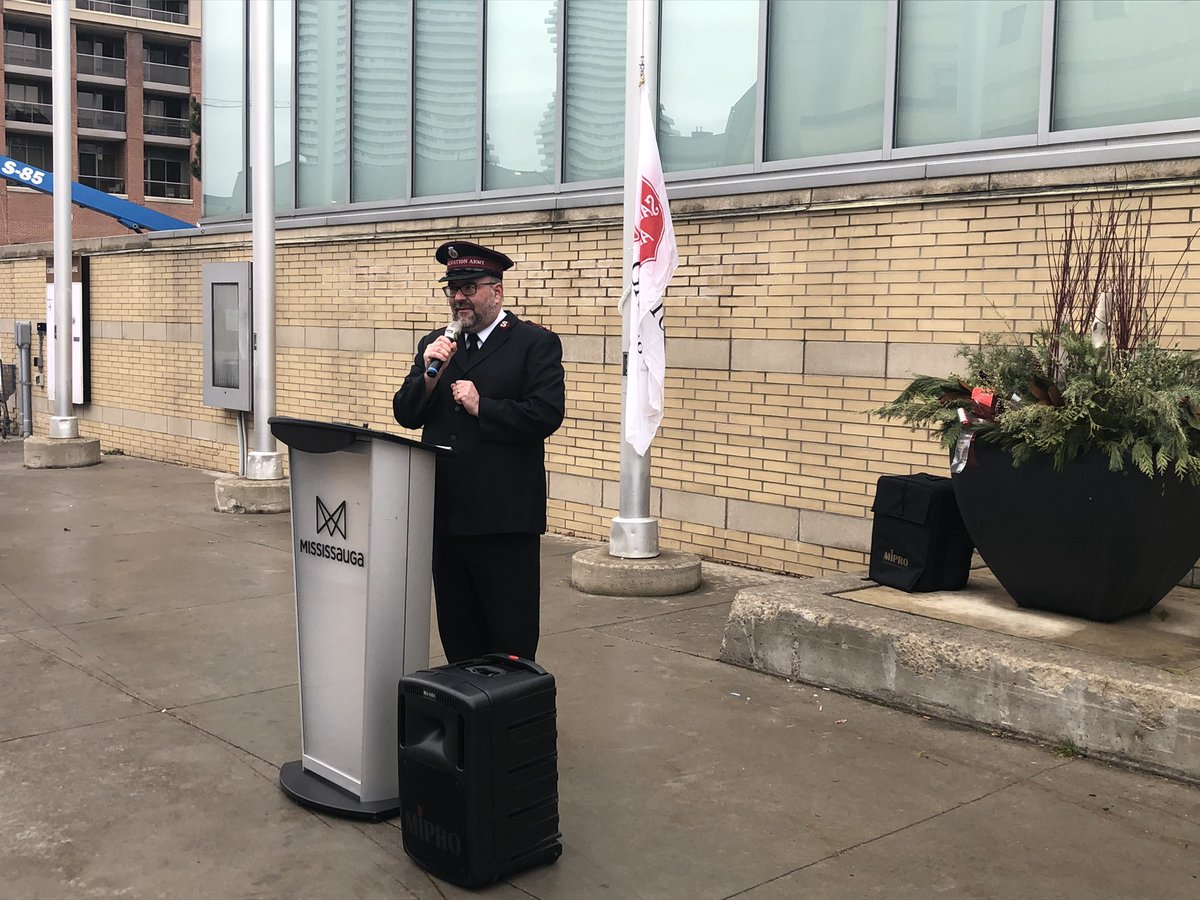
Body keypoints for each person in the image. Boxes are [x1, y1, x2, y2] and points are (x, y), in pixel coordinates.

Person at [394, 240, 566, 664]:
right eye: (452, 288)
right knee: (459, 632)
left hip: (502, 520)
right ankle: (468, 720)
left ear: (496, 291)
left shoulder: (533, 343)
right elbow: (406, 414)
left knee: (510, 637)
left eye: (469, 287)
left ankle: (509, 724)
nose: (458, 298)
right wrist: (429, 379)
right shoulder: (436, 344)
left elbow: (546, 414)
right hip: (445, 517)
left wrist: (481, 406)